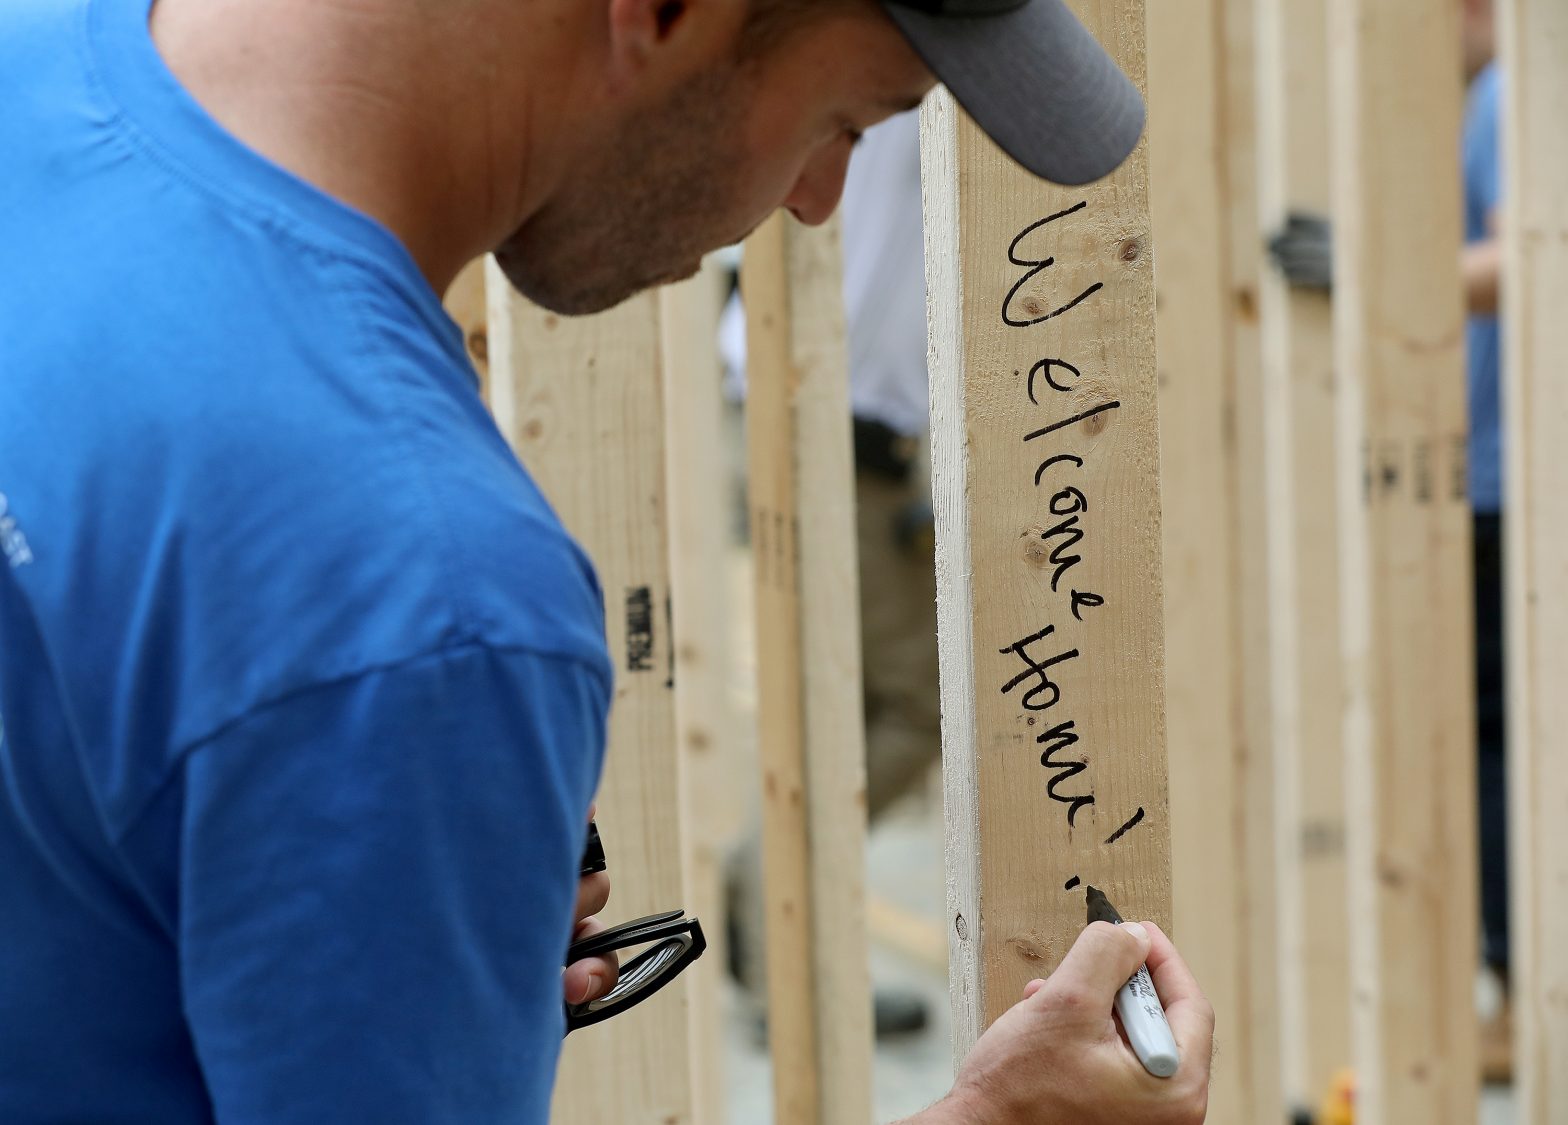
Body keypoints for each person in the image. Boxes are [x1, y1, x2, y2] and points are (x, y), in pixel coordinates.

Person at [0, 0, 1215, 1121]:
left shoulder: (37, 61)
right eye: (843, 120)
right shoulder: (421, 605)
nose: (815, 199)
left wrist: (392, 943)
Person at [1268, 0, 1509, 1083]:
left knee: (1490, 746)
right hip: (1484, 469)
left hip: (1498, 481)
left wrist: (1373, 270)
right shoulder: (1485, 101)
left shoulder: (1507, 97)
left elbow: (1522, 260)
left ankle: (1510, 995)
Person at [720, 108, 945, 1036]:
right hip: (822, 426)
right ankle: (776, 931)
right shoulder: (901, 86)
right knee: (909, 703)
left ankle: (785, 936)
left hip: (851, 435)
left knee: (852, 711)